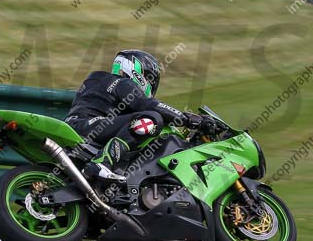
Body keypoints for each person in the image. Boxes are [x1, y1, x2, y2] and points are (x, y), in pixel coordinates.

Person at [64, 49, 218, 181]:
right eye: (151, 79)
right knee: (151, 118)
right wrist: (189, 119)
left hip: (84, 126)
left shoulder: (101, 83)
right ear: (139, 72)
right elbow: (149, 105)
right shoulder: (121, 82)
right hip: (87, 126)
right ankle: (101, 163)